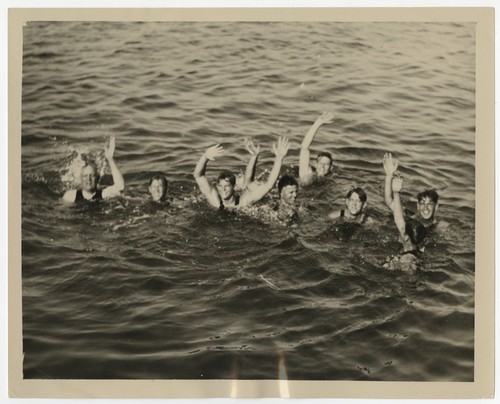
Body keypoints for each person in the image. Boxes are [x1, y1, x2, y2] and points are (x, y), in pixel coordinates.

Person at [193, 136, 290, 210]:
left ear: (234, 187)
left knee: (250, 185)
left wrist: (279, 158)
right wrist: (205, 156)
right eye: (221, 186)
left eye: (227, 186)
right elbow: (198, 175)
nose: (223, 189)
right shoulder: (215, 200)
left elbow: (269, 185)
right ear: (217, 187)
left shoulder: (243, 202)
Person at [383, 152, 427, 271]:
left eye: (402, 229)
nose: (399, 227)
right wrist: (395, 189)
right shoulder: (416, 247)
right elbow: (398, 218)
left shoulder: (408, 261)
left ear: (406, 237)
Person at [383, 152, 440, 229]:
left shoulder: (441, 227)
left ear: (436, 207)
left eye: (429, 204)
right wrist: (389, 175)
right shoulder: (410, 218)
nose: (425, 208)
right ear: (418, 206)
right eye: (422, 203)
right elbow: (389, 201)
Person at [62, 136, 124, 203]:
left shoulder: (104, 194)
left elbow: (120, 187)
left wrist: (110, 159)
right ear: (81, 178)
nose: (89, 179)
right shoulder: (70, 196)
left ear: (98, 178)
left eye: (92, 175)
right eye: (85, 176)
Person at [299, 112, 335, 186]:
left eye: (326, 164)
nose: (322, 166)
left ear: (331, 168)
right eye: (321, 163)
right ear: (315, 164)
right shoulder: (306, 174)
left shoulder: (331, 182)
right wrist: (318, 123)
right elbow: (304, 148)